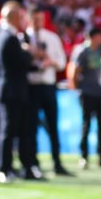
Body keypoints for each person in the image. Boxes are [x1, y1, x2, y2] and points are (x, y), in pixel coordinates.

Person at [0, 1, 33, 183]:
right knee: (8, 130)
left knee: (9, 130)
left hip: (3, 88)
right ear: (13, 17)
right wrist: (28, 53)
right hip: (11, 90)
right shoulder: (9, 37)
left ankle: (10, 166)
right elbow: (20, 62)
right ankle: (5, 167)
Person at [25, 10, 71, 176]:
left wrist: (51, 62)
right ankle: (33, 162)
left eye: (41, 19)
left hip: (49, 85)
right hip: (31, 85)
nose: (38, 22)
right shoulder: (24, 38)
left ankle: (57, 162)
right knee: (31, 127)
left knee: (52, 125)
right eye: (35, 18)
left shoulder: (51, 37)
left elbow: (62, 62)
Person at [69, 27, 101, 169]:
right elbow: (75, 71)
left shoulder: (100, 50)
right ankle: (84, 156)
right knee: (87, 124)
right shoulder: (82, 51)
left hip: (100, 92)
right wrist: (77, 89)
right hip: (87, 93)